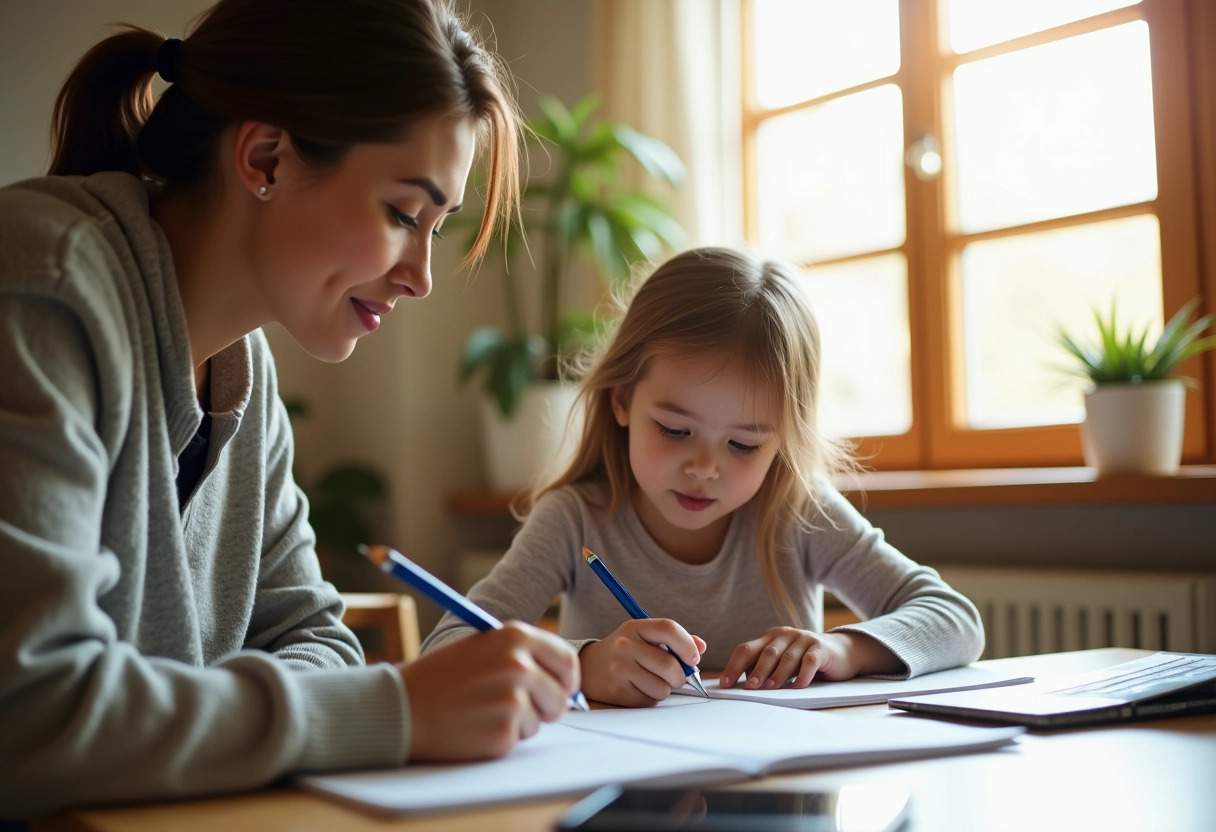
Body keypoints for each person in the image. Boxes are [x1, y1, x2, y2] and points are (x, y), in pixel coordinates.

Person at [0, 0, 581, 820]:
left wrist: (181, 717)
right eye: (402, 214)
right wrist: (398, 711)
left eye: (435, 229)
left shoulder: (246, 372)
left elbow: (318, 641)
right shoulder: (45, 285)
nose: (419, 276)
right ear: (266, 157)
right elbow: (30, 713)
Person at [422, 246, 985, 707]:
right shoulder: (576, 519)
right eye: (673, 430)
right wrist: (582, 664)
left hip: (778, 787)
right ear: (621, 401)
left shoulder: (795, 511)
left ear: (783, 441)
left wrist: (842, 651)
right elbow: (445, 651)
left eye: (744, 443)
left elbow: (955, 619)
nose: (704, 468)